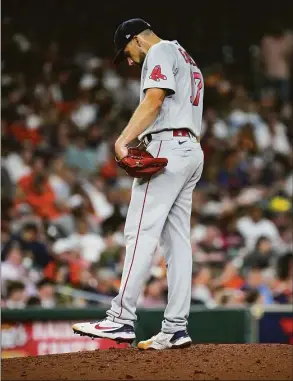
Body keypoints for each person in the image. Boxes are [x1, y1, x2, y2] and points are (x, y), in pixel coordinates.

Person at [73, 18, 204, 350]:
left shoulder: (158, 49)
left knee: (140, 231)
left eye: (127, 52)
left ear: (136, 39)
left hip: (167, 147)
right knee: (177, 243)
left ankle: (120, 318)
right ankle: (176, 327)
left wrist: (123, 140)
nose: (130, 61)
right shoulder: (185, 56)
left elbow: (154, 100)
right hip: (191, 150)